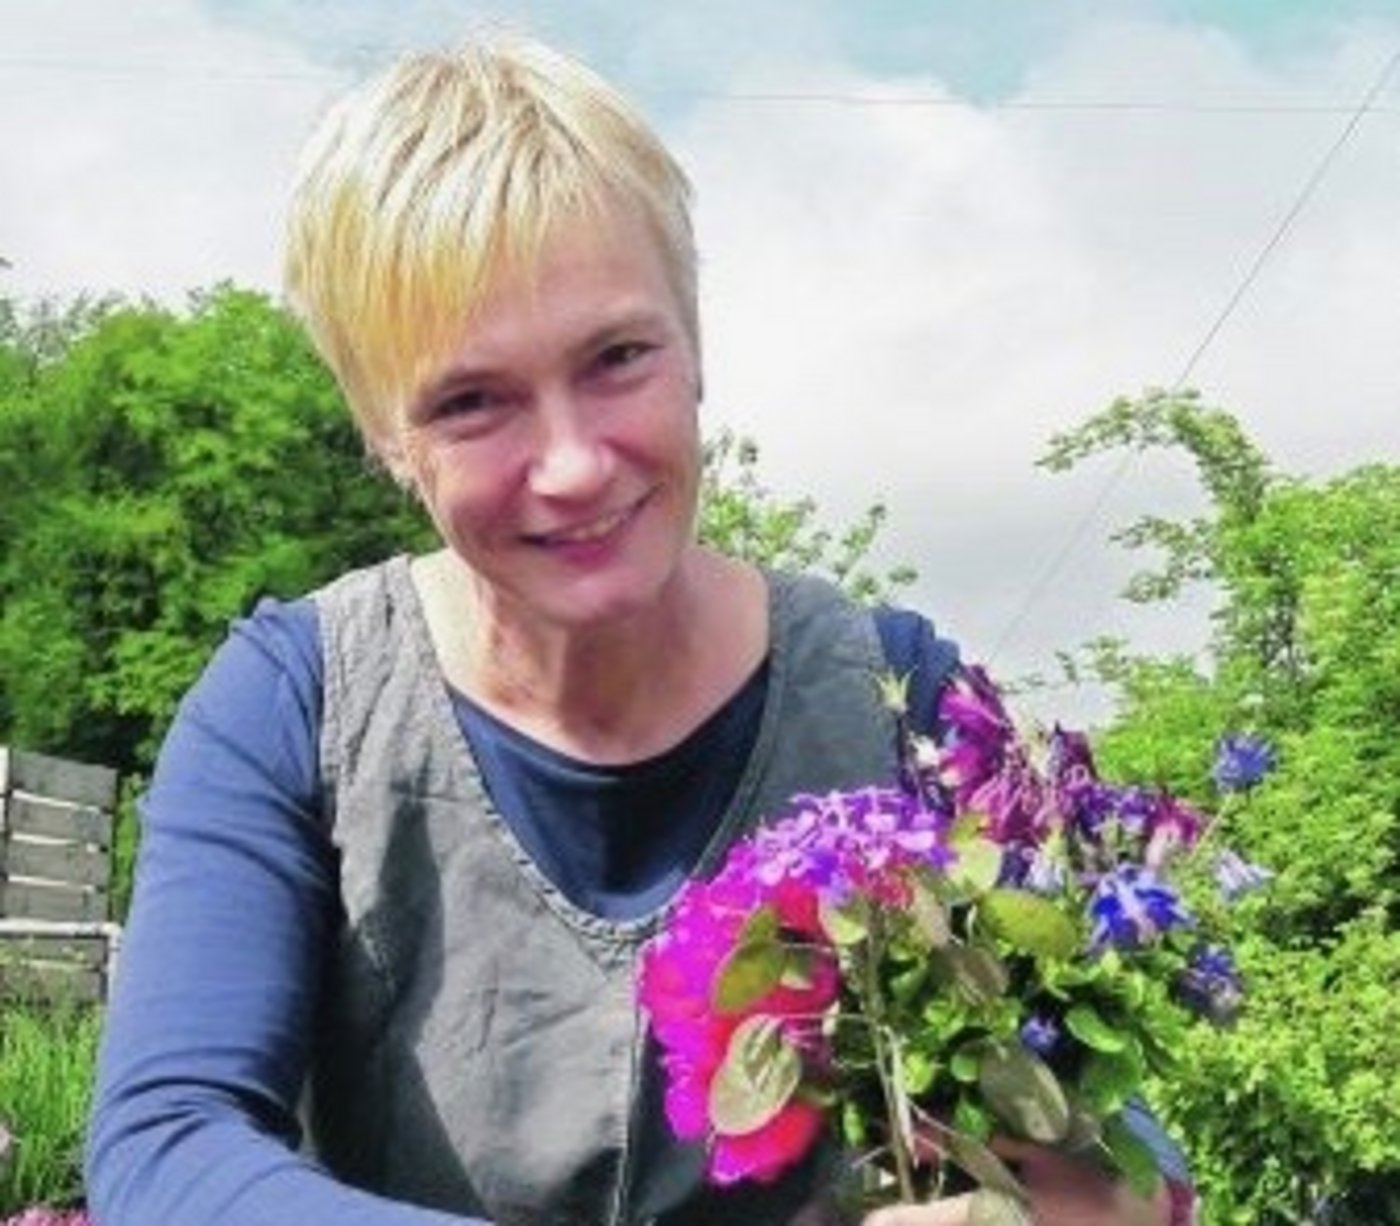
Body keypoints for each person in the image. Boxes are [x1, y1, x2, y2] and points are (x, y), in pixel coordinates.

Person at [85, 36, 1192, 1226]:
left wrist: (1102, 1198)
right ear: (386, 438)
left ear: (694, 345)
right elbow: (168, 1145)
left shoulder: (897, 699)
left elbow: (1117, 1144)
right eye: (470, 401)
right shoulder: (291, 705)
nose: (570, 464)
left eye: (615, 357)